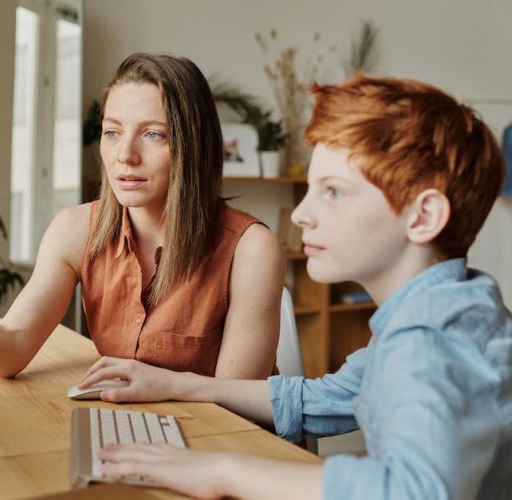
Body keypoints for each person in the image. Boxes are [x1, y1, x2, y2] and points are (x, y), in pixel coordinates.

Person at [79, 75, 512, 499]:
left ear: (423, 217)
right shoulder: (443, 310)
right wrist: (179, 384)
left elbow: (411, 491)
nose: (302, 214)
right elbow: (322, 400)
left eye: (333, 192)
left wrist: (223, 470)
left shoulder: (430, 337)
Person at [0, 52, 284, 380]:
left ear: (194, 146)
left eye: (153, 134)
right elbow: (12, 345)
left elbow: (236, 407)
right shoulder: (76, 230)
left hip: (223, 453)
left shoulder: (251, 249)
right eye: (112, 132)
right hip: (135, 437)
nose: (125, 155)